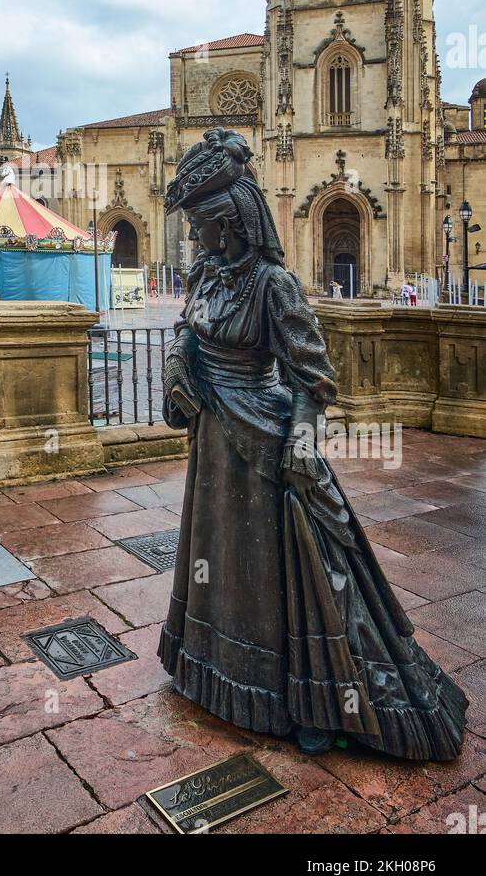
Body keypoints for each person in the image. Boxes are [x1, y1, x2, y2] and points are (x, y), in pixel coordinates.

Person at [158, 127, 466, 761]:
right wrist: (177, 361)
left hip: (264, 442)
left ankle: (311, 700)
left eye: (199, 225)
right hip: (215, 441)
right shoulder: (206, 277)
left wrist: (301, 444)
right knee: (221, 555)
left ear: (229, 222)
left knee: (282, 567)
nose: (192, 237)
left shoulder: (274, 286)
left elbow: (313, 379)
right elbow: (188, 335)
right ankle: (217, 668)